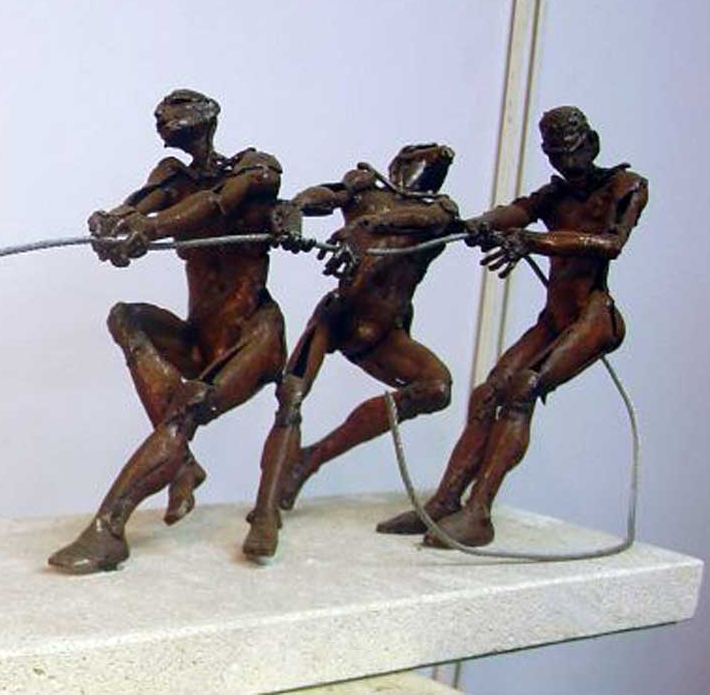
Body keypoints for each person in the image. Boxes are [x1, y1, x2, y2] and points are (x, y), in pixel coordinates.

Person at [379, 107, 648, 547]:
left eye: (572, 152)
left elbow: (611, 243)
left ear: (592, 144)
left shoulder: (626, 186)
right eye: (556, 155)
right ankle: (446, 500)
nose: (566, 163)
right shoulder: (556, 194)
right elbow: (519, 210)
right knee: (488, 393)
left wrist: (534, 241)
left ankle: (479, 511)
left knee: (523, 388)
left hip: (593, 317)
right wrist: (476, 225)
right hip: (554, 319)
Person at [49, 89, 288, 574]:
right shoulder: (172, 176)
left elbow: (214, 204)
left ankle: (109, 529)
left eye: (177, 106)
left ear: (208, 116)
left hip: (252, 335)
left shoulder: (257, 170)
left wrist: (151, 230)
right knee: (126, 317)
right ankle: (181, 464)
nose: (163, 114)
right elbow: (142, 203)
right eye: (161, 111)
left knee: (187, 407)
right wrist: (113, 223)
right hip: (201, 337)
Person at [242, 144, 460, 561]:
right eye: (420, 159)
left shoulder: (440, 212)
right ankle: (265, 512)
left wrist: (365, 227)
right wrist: (296, 208)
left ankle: (311, 458)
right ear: (398, 163)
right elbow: (327, 196)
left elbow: (424, 220)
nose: (430, 165)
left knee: (436, 388)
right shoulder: (363, 189)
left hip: (383, 332)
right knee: (291, 395)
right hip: (338, 317)